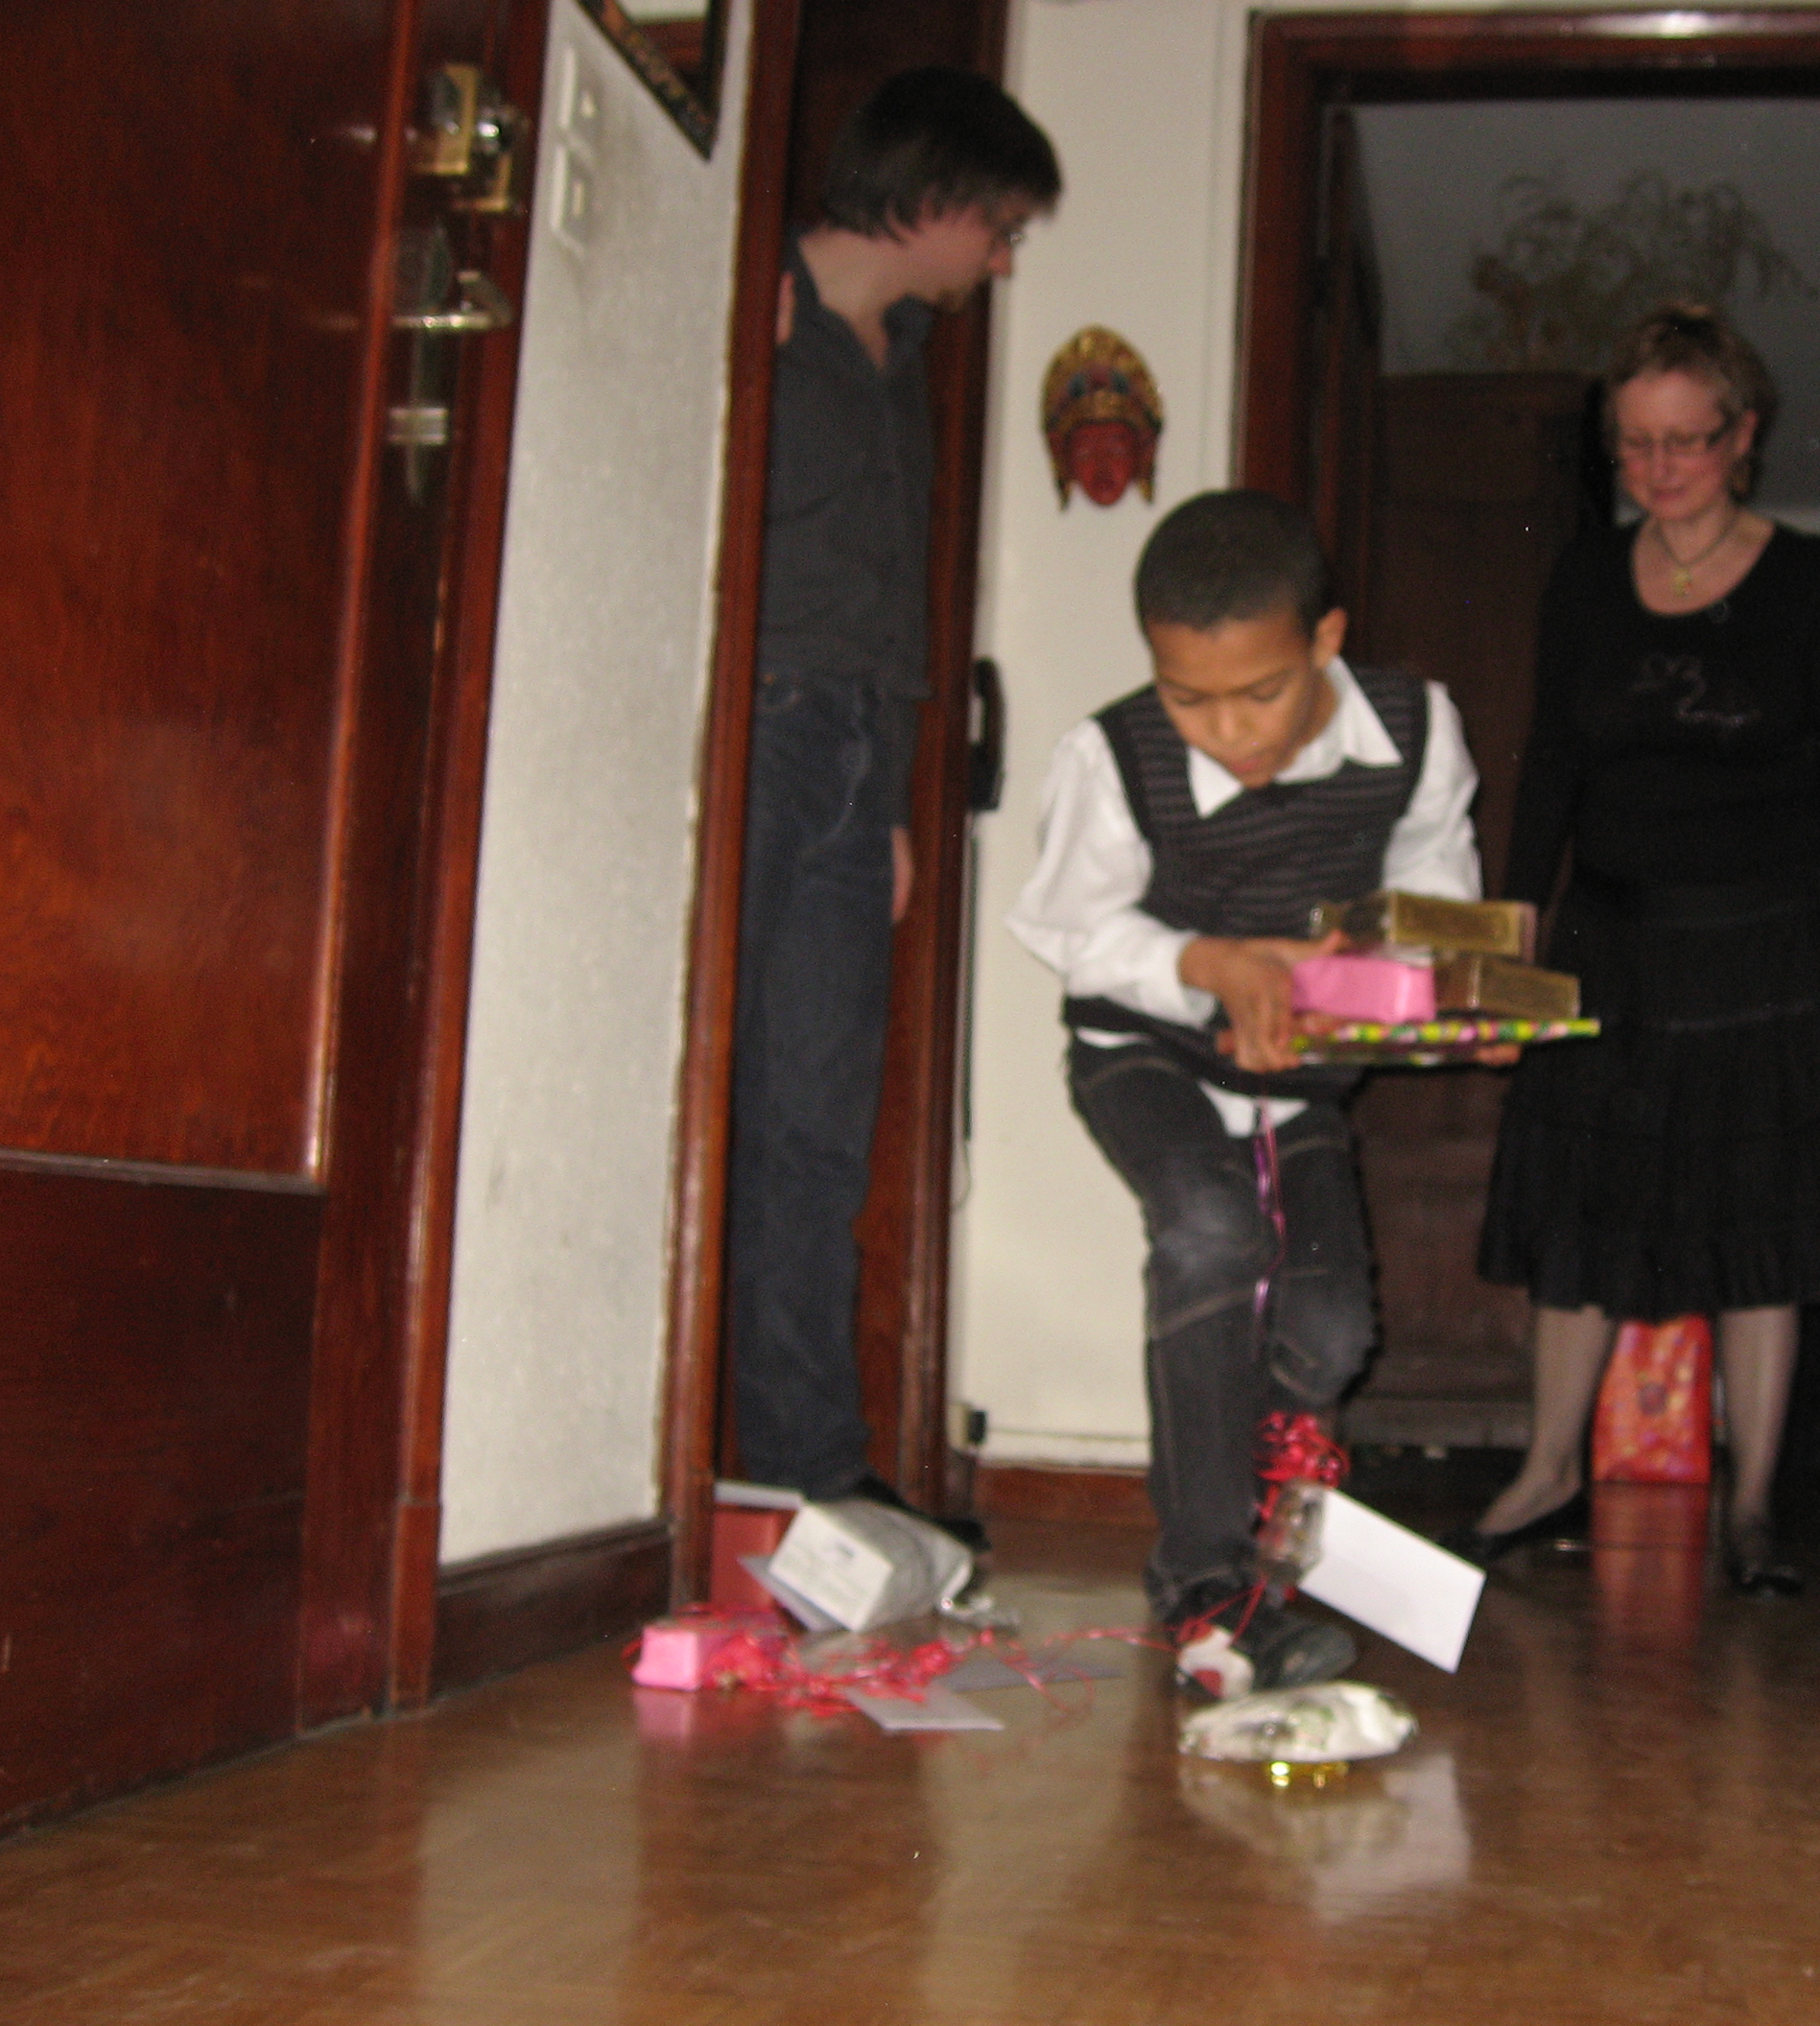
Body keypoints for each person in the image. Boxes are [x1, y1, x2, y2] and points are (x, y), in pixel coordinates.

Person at [1457, 304, 1820, 1591]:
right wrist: (1513, 933)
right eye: (1634, 443)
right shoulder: (1585, 579)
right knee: (1583, 1214)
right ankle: (1547, 1469)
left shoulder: (1811, 585)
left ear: (1742, 437)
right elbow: (1549, 762)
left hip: (1772, 948)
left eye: (1684, 439)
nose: (1658, 467)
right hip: (1613, 941)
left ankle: (1751, 1507)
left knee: (1762, 1229)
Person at [1008, 491, 1487, 1693]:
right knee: (1210, 1234)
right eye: (1187, 698)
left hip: (1298, 1079)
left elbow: (1432, 893)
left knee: (1330, 1331)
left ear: (1324, 639)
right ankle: (1204, 1584)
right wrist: (1210, 965)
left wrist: (1431, 995)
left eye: (1260, 693)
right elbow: (1071, 930)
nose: (1226, 730)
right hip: (1145, 1054)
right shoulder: (1111, 755)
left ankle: (1264, 1565)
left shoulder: (1414, 727)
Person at [726, 72, 1059, 1511]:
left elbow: (893, 594)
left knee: (817, 1130)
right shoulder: (750, 303)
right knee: (711, 1103)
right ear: (931, 196)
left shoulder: (908, 351)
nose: (1005, 259)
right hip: (755, 736)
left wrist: (896, 808)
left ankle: (818, 1481)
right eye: (1000, 228)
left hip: (859, 762)